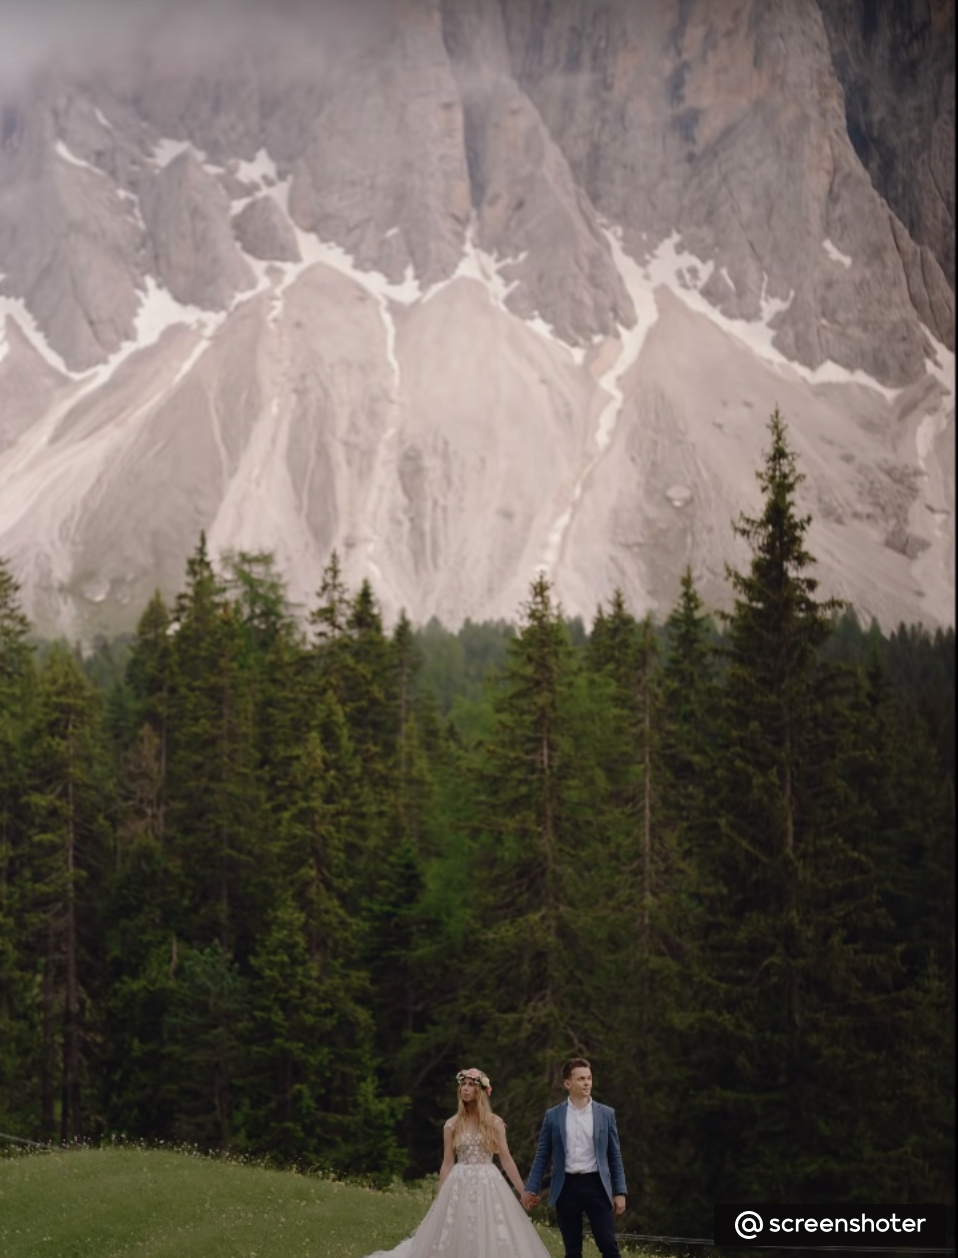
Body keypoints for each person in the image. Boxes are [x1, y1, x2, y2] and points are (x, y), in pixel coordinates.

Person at [364, 1067, 551, 1258]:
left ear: (480, 1090)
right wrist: (440, 1196)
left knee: (492, 1227)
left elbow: (506, 1158)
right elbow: (447, 1162)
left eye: (471, 1085)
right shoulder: (452, 1124)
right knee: (456, 1228)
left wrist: (523, 1191)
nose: (466, 1089)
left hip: (487, 1181)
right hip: (459, 1181)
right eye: (463, 1085)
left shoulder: (494, 1123)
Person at [520, 1058, 627, 1258]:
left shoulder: (606, 1114)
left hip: (597, 1185)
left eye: (589, 1078)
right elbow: (542, 1155)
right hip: (566, 1187)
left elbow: (615, 1155)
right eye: (580, 1079)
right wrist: (530, 1188)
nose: (586, 1083)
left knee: (608, 1244)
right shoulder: (553, 1116)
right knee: (572, 1249)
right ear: (567, 1083)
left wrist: (620, 1191)